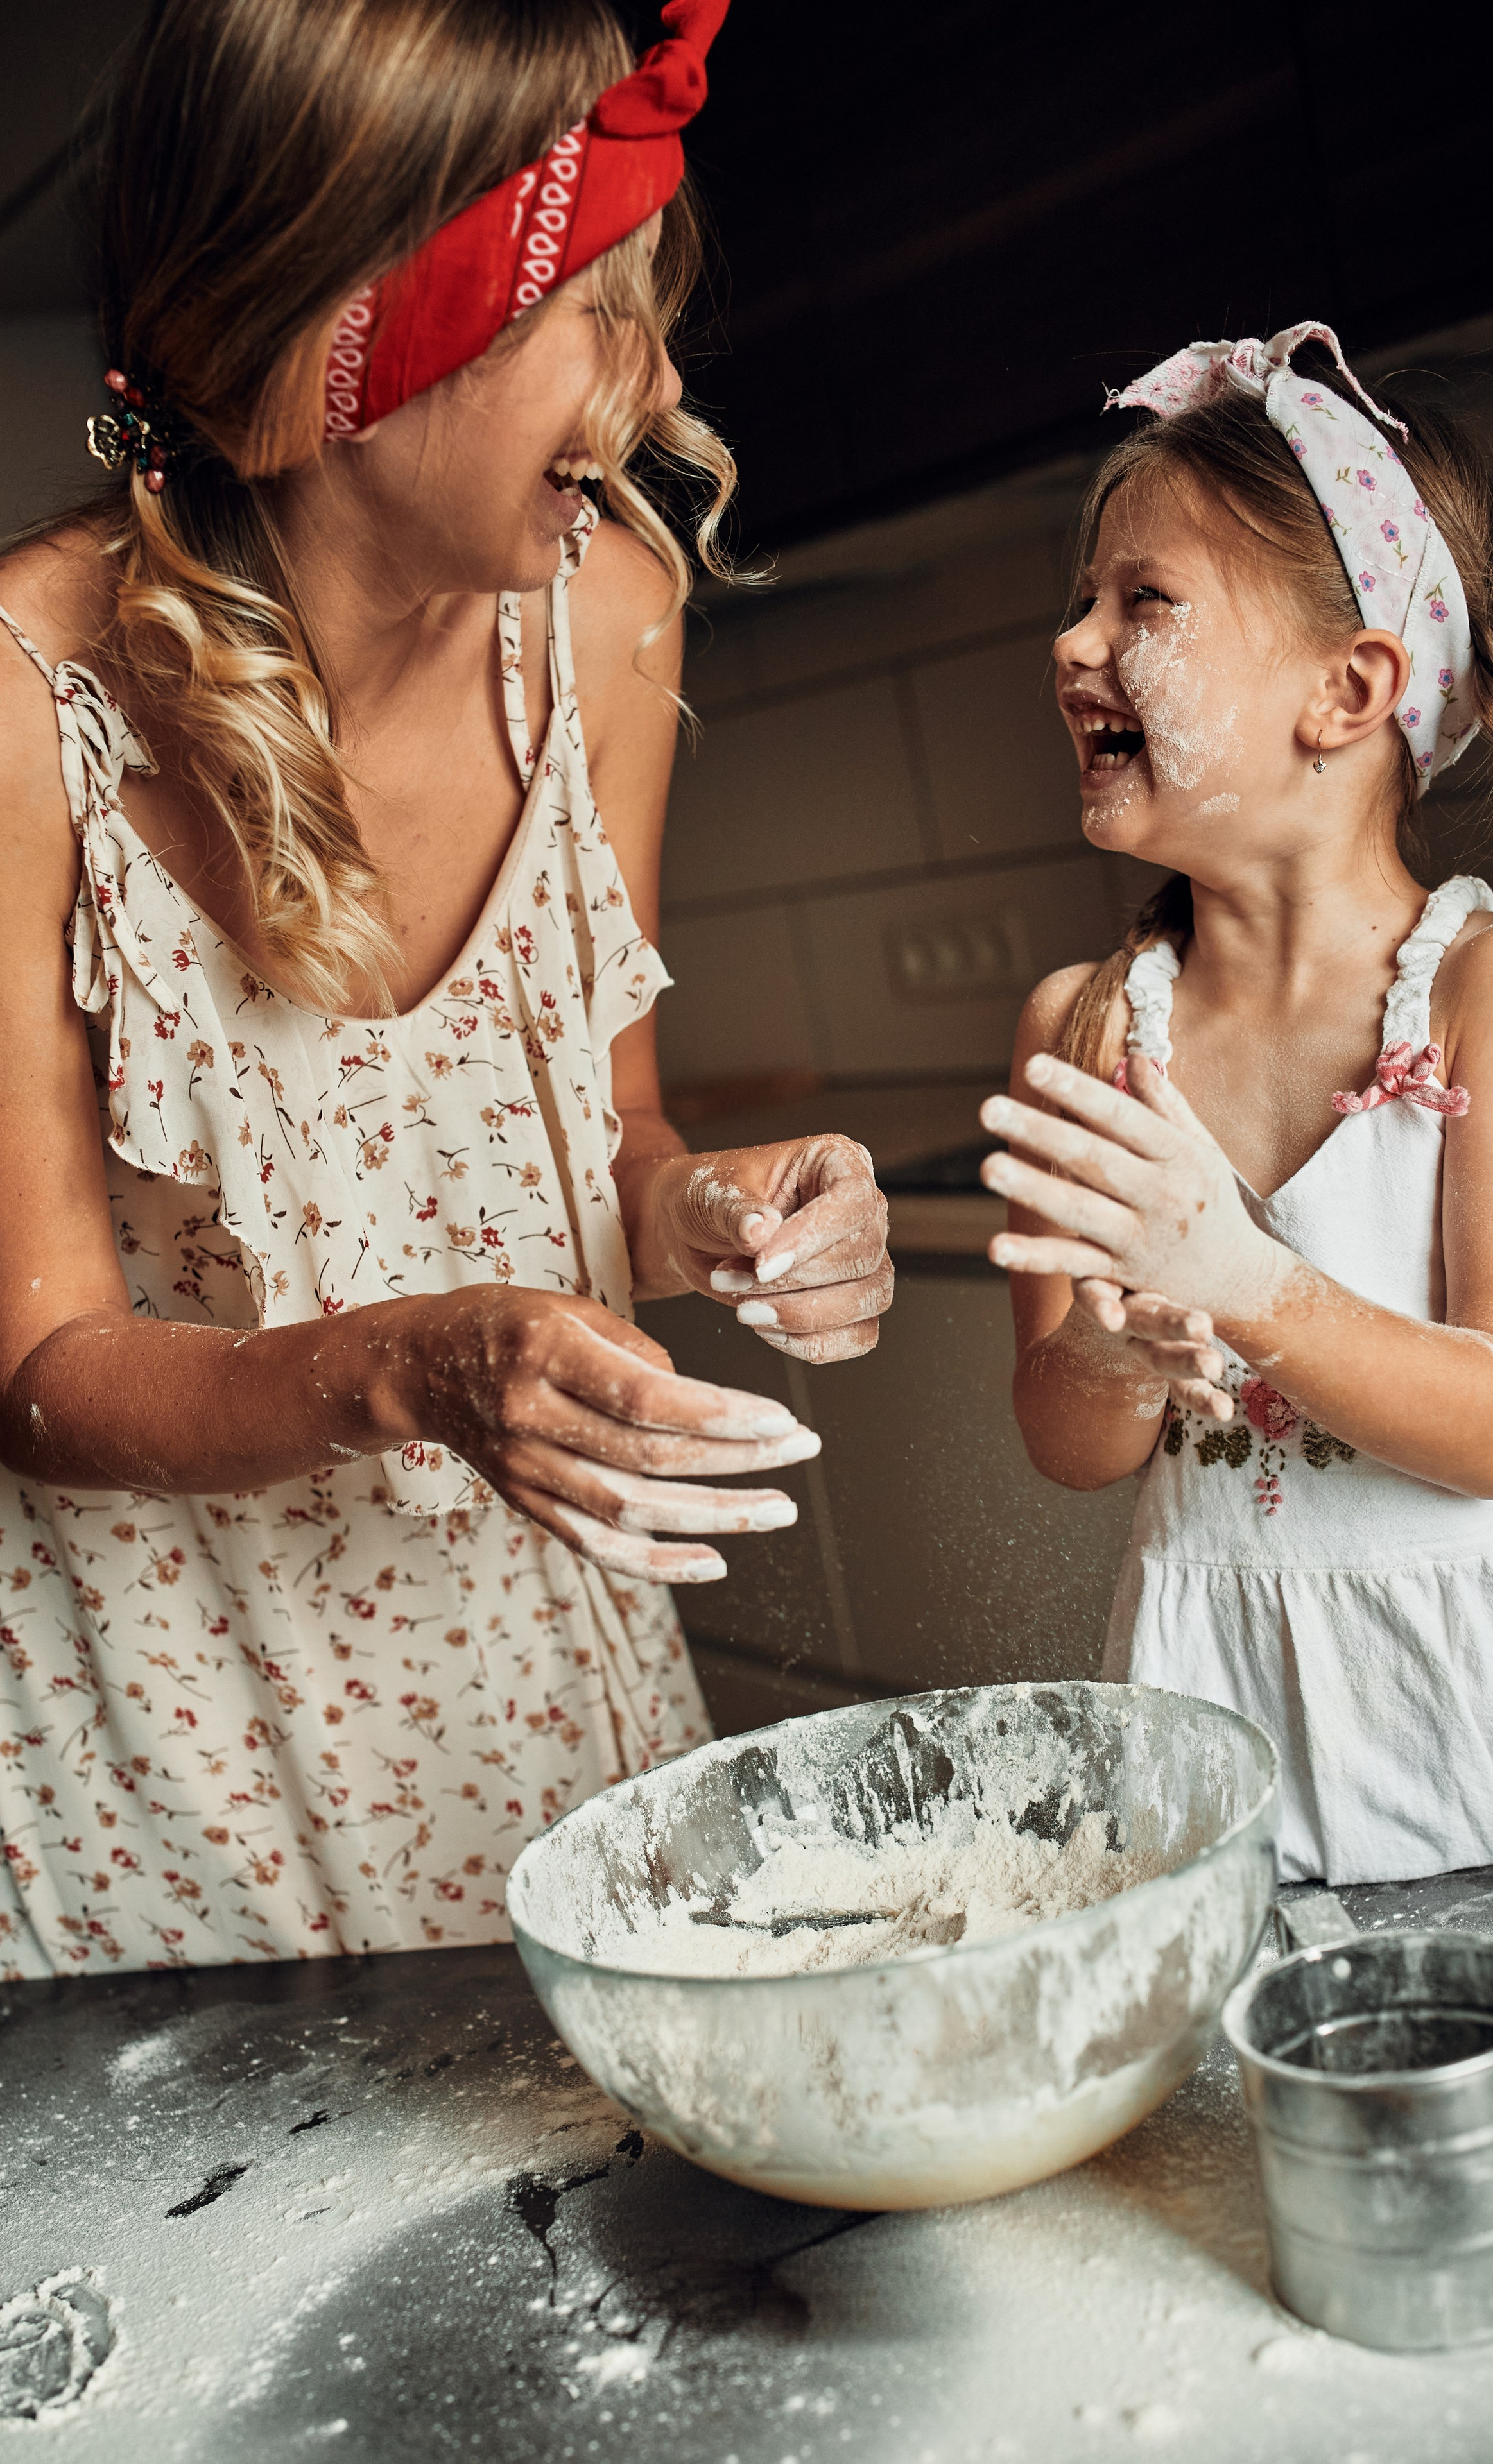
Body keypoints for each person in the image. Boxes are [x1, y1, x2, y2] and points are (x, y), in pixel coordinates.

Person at [0, 0, 890, 1978]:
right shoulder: (18, 702)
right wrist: (415, 1365)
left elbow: (611, 1131)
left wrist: (726, 1213)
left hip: (561, 1740)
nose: (657, 394)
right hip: (182, 1813)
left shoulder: (610, 617)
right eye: (597, 312)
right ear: (362, 351)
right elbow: (36, 1364)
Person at [980, 323, 1493, 1885]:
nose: (1073, 645)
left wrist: (1240, 1281)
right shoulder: (1077, 1029)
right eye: (1081, 600)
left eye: (1141, 602)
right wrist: (1113, 1343)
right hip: (1216, 1721)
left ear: (1346, 690)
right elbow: (1070, 1446)